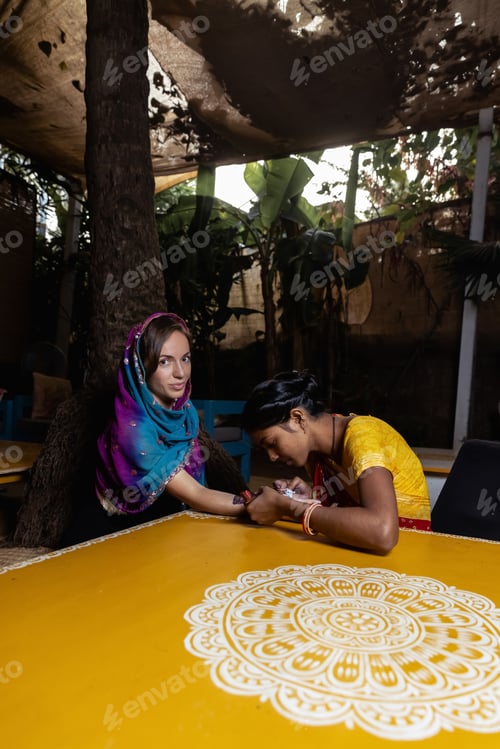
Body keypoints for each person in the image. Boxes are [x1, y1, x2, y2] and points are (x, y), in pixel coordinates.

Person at [61, 312, 248, 546]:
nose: (180, 373)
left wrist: (252, 500)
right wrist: (252, 504)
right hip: (114, 532)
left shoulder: (185, 411)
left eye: (186, 358)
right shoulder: (133, 431)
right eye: (164, 361)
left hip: (165, 515)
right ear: (141, 367)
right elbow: (197, 494)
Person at [241, 370, 431, 554]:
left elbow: (383, 532)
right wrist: (314, 495)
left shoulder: (363, 436)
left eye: (272, 443)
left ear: (298, 418)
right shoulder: (318, 454)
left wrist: (289, 507)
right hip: (359, 552)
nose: (272, 456)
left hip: (409, 557)